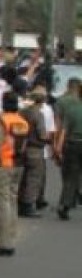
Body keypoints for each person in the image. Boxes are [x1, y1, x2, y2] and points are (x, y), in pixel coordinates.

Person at [0, 92, 30, 257]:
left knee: (2, 203)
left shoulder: (2, 122)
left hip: (4, 166)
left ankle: (5, 244)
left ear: (4, 104)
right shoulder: (23, 122)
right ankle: (11, 238)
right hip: (19, 166)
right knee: (12, 201)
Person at [18, 86, 50, 218]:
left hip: (22, 147)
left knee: (23, 177)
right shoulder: (38, 114)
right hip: (35, 149)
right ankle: (28, 205)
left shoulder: (23, 112)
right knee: (34, 178)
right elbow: (42, 134)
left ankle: (20, 202)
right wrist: (49, 139)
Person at [54, 77, 82, 220]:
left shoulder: (70, 110)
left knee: (71, 176)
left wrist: (58, 146)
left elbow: (62, 129)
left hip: (72, 144)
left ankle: (64, 204)